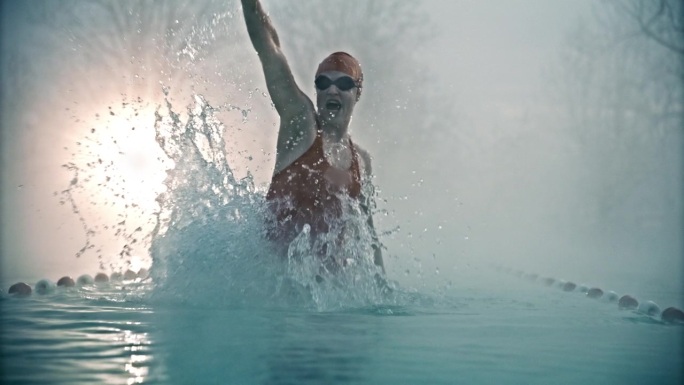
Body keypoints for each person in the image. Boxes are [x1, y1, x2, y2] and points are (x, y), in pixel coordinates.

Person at [241, 0, 384, 274]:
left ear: (358, 93)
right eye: (323, 83)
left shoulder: (361, 162)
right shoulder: (301, 127)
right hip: (273, 285)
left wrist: (382, 293)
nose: (332, 90)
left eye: (343, 84)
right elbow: (269, 49)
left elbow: (370, 237)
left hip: (324, 296)